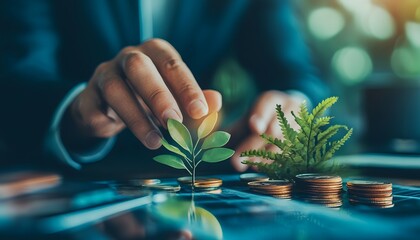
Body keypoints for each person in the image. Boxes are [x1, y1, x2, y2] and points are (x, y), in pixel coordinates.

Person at [0, 0, 327, 176]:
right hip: (59, 179)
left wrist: (292, 110)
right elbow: (16, 74)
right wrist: (75, 111)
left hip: (195, 178)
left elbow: (299, 74)